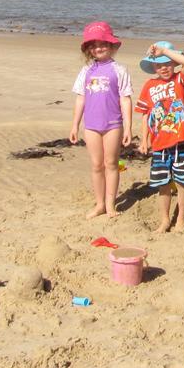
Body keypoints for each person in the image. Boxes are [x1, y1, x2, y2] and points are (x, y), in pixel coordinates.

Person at [70, 20, 133, 219]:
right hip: (91, 126)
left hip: (113, 125)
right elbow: (81, 98)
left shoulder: (119, 70)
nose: (99, 48)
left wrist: (129, 127)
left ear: (112, 45)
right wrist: (74, 125)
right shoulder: (86, 71)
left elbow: (125, 99)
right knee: (97, 165)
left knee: (111, 163)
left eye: (103, 43)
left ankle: (110, 204)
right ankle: (99, 204)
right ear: (89, 49)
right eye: (94, 45)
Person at [135, 41, 184, 233]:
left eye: (168, 63)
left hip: (180, 140)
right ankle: (165, 219)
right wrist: (144, 140)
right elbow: (145, 115)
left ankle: (182, 218)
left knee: (183, 181)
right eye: (159, 64)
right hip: (159, 143)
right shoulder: (149, 85)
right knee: (162, 183)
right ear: (153, 67)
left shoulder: (180, 80)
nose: (164, 68)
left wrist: (165, 52)